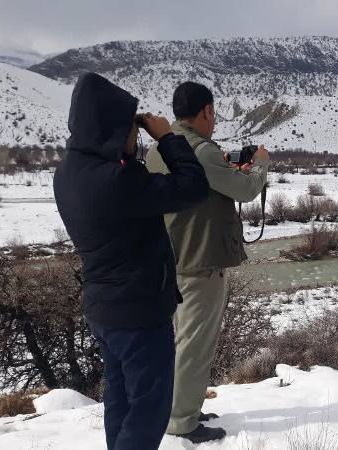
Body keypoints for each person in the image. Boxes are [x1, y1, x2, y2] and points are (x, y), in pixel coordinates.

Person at [53, 72, 209, 450]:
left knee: (121, 399)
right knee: (149, 409)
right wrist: (168, 138)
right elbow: (193, 188)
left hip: (105, 310)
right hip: (138, 312)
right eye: (131, 129)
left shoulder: (67, 173)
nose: (135, 137)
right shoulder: (117, 181)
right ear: (110, 129)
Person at [145, 81, 270, 443]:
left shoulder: (161, 148)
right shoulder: (198, 149)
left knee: (182, 340)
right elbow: (245, 189)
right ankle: (182, 421)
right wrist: (260, 164)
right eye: (213, 113)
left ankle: (186, 407)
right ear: (207, 111)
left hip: (173, 257)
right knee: (195, 344)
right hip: (200, 260)